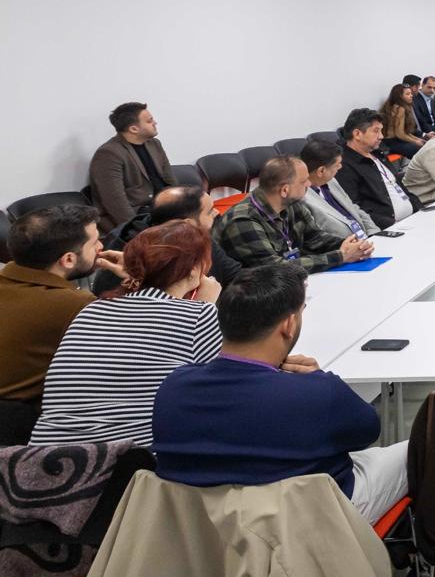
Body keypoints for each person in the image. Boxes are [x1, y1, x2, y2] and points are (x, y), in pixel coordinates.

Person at [151, 263, 410, 524]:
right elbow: (368, 431)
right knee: (414, 451)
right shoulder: (316, 392)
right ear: (289, 324)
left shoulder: (173, 389)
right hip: (310, 521)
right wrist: (321, 379)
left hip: (203, 529)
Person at [31, 222, 223, 446]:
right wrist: (205, 304)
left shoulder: (93, 309)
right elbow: (221, 390)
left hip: (47, 452)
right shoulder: (198, 315)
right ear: (195, 269)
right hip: (132, 458)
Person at [0, 205, 102, 413]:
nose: (101, 247)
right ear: (68, 259)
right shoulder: (77, 305)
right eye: (94, 243)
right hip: (20, 420)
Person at [214, 156, 373, 273]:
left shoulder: (291, 203)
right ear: (285, 190)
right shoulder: (243, 220)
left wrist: (352, 245)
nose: (309, 184)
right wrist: (341, 256)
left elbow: (315, 239)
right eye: (304, 181)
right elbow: (276, 268)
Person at [89, 101, 175, 231]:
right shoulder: (109, 153)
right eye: (149, 121)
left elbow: (170, 180)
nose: (155, 123)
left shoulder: (154, 144)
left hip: (162, 207)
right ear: (134, 129)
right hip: (139, 214)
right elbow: (115, 201)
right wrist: (137, 228)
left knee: (200, 206)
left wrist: (181, 202)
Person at [335, 108, 420, 229]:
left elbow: (401, 187)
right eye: (376, 131)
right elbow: (355, 208)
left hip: (412, 220)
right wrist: (392, 225)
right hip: (390, 229)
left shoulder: (378, 153)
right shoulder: (343, 166)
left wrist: (421, 210)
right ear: (357, 134)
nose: (381, 136)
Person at [297, 139, 379, 241]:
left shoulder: (331, 181)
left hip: (366, 239)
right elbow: (319, 236)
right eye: (337, 165)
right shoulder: (302, 198)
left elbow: (353, 208)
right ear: (321, 171)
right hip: (344, 246)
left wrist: (374, 233)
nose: (340, 167)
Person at [381, 83, 426, 158]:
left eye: (411, 93)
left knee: (423, 143)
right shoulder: (400, 109)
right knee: (420, 148)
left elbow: (405, 132)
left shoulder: (397, 106)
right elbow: (400, 134)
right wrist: (415, 141)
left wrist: (417, 139)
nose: (411, 96)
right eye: (408, 94)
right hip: (392, 142)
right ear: (399, 97)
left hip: (396, 140)